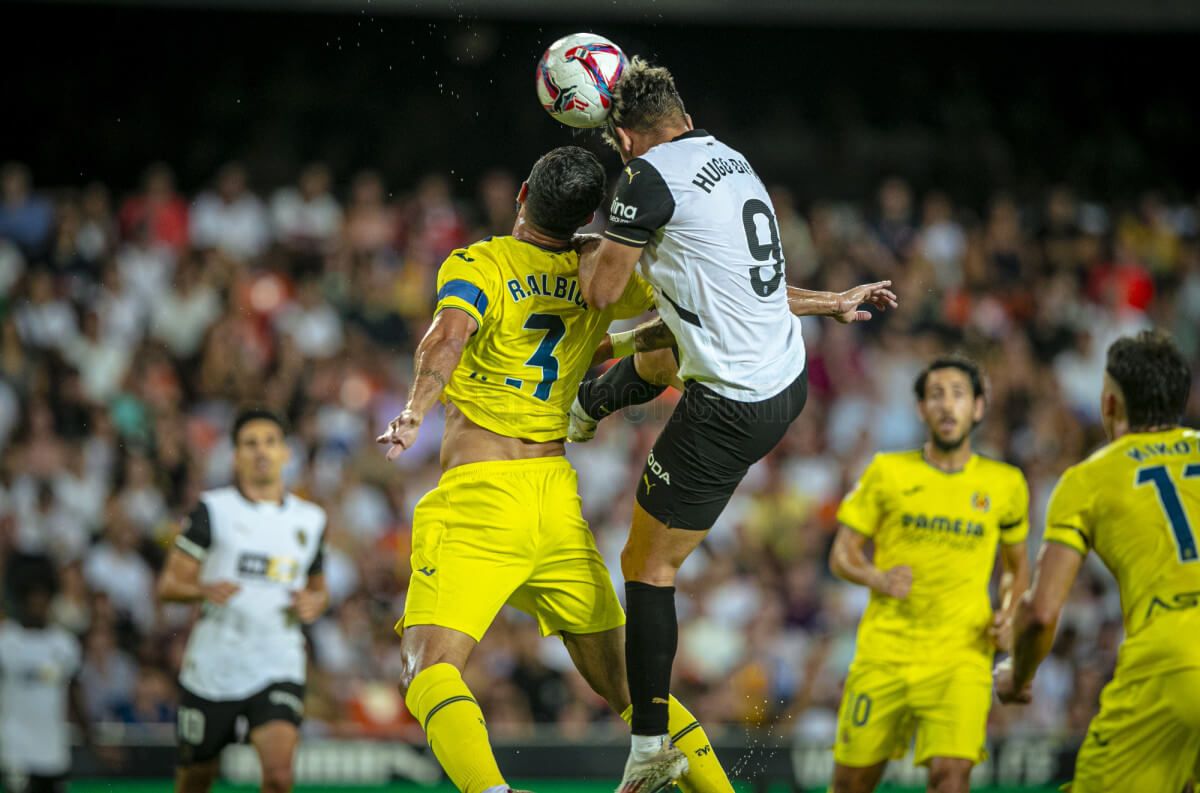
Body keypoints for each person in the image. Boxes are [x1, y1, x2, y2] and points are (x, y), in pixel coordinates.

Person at [572, 57, 896, 790]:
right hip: (783, 371)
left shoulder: (643, 180)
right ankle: (591, 404)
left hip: (731, 406)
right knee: (670, 335)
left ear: (624, 137)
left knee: (646, 567)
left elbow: (598, 292)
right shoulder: (730, 157)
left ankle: (652, 745)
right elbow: (755, 287)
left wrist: (601, 232)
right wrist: (834, 300)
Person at [375, 145, 735, 793]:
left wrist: (414, 410)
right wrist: (823, 301)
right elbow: (726, 304)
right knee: (637, 695)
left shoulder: (481, 263)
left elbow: (447, 338)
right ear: (587, 217)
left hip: (482, 496)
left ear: (521, 195)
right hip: (554, 502)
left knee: (428, 670)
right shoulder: (605, 272)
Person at [997, 330, 1200, 792]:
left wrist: (1018, 675)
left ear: (1110, 404)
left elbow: (1041, 611)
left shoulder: (1088, 479)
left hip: (1173, 661)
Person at [827, 357, 1030, 793]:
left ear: (978, 407)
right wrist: (877, 578)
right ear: (920, 409)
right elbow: (841, 554)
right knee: (850, 784)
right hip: (886, 651)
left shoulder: (1006, 484)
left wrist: (1010, 611)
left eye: (958, 394)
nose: (946, 405)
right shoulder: (887, 471)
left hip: (962, 655)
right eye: (935, 395)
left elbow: (1016, 566)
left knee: (951, 776)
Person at [157, 408, 329, 793]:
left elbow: (319, 587)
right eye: (250, 444)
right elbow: (169, 584)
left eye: (270, 442)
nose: (261, 451)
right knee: (196, 778)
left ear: (286, 453)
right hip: (215, 665)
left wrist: (314, 603)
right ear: (235, 456)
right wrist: (203, 589)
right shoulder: (213, 510)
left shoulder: (310, 519)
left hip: (278, 660)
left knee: (280, 777)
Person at [0, 585, 95, 793]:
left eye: (43, 602)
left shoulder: (63, 643)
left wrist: (89, 734)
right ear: (22, 605)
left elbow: (74, 693)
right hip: (16, 749)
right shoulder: (7, 639)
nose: (38, 608)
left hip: (53, 750)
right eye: (32, 603)